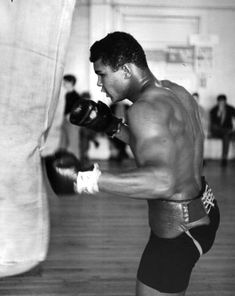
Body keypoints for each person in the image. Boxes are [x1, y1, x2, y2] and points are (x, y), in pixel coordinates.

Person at [47, 32, 220, 296]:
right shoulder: (175, 91)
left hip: (178, 231)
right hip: (205, 207)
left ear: (126, 70)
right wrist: (111, 126)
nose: (99, 83)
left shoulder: (143, 109)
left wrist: (85, 179)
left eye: (102, 73)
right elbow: (171, 147)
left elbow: (164, 181)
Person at [210, 94, 235, 166]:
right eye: (219, 102)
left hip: (228, 131)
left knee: (226, 135)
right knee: (223, 132)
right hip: (217, 131)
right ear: (217, 102)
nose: (221, 103)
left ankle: (224, 158)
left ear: (225, 102)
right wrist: (218, 114)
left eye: (223, 102)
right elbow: (213, 124)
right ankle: (224, 158)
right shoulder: (214, 110)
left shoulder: (230, 109)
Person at [60, 74, 81, 150]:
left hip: (72, 122)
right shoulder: (66, 95)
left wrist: (71, 115)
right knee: (63, 144)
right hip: (65, 121)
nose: (64, 84)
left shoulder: (76, 96)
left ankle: (75, 161)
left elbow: (79, 110)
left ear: (71, 82)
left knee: (73, 145)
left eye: (65, 82)